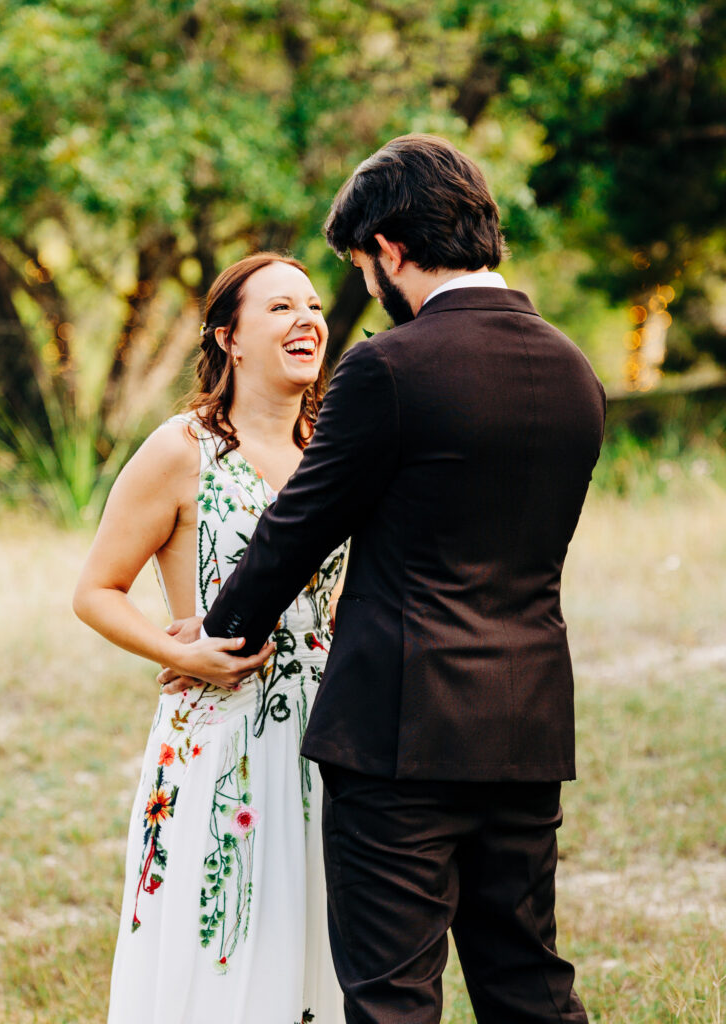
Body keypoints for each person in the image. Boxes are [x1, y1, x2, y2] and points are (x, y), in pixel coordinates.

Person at [164, 135, 606, 1024]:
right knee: (527, 980)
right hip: (526, 728)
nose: (367, 288)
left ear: (391, 250)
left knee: (392, 997)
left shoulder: (389, 367)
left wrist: (222, 635)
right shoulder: (573, 370)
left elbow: (296, 530)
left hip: (399, 738)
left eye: (361, 267)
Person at [73, 253, 346, 1024]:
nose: (308, 321)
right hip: (219, 739)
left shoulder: (335, 451)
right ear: (229, 337)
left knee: (317, 936)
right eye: (281, 308)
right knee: (223, 934)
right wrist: (180, 652)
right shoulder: (182, 450)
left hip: (328, 734)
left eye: (315, 305)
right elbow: (95, 591)